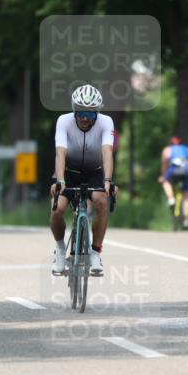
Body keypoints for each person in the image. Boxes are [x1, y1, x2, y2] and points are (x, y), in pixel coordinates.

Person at [50, 84, 116, 277]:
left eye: (90, 113)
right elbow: (60, 153)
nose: (85, 118)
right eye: (80, 113)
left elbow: (107, 151)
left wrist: (108, 181)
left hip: (95, 171)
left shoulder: (106, 122)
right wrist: (60, 180)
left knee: (101, 201)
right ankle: (60, 250)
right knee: (57, 208)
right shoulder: (63, 121)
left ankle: (95, 253)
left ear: (97, 112)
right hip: (68, 170)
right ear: (74, 111)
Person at [158, 136, 188, 229]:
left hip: (174, 169)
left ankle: (171, 199)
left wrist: (163, 176)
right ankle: (186, 220)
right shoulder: (187, 149)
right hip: (187, 171)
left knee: (165, 182)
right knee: (187, 196)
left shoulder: (168, 149)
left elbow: (165, 162)